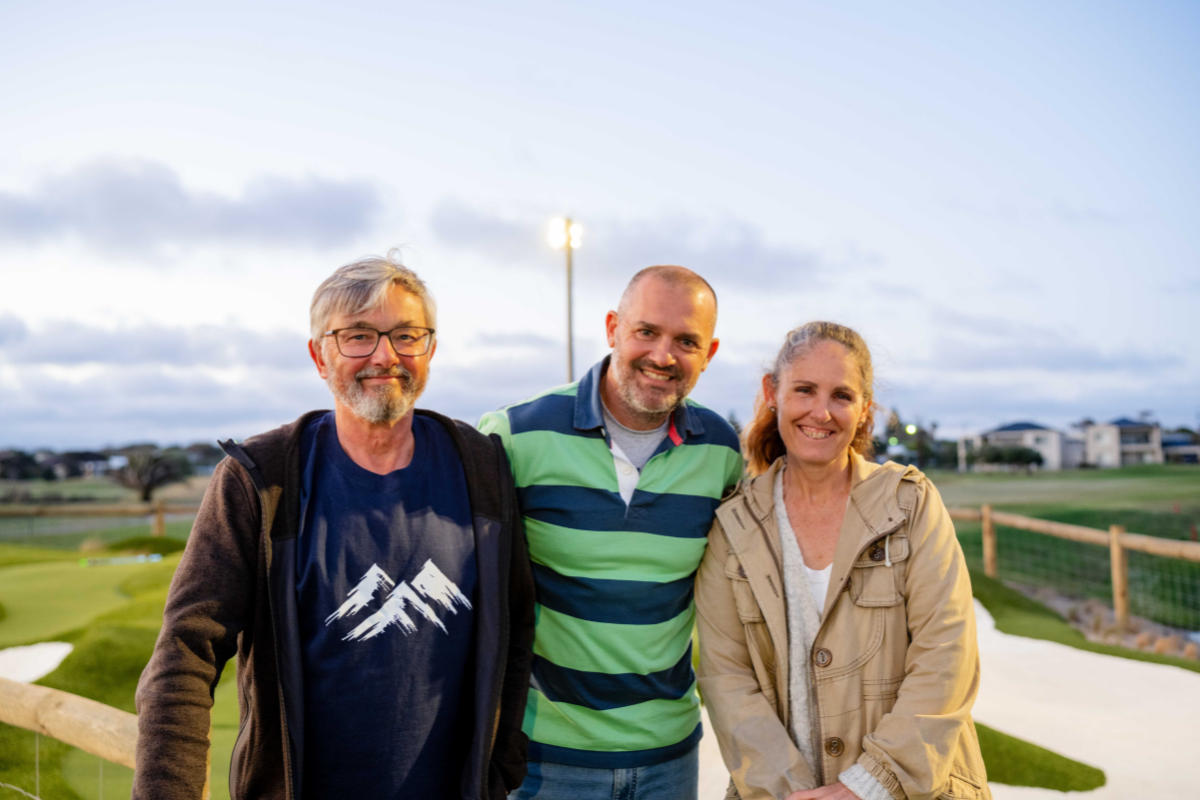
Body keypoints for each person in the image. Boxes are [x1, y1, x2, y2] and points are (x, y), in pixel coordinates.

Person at [133, 253, 535, 800]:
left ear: (431, 350)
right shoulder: (260, 480)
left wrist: (499, 766)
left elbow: (514, 627)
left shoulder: (481, 468)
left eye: (406, 335)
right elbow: (185, 652)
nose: (385, 355)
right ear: (319, 356)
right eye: (358, 336)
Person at [696, 321, 990, 800]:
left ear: (865, 409)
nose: (821, 412)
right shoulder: (733, 523)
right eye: (805, 390)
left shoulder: (910, 504)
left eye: (842, 396)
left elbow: (947, 653)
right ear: (773, 392)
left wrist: (870, 785)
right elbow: (725, 677)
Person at [480, 266, 743, 800]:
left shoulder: (721, 451)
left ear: (709, 352)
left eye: (686, 341)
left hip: (669, 757)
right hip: (545, 759)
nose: (664, 356)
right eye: (646, 331)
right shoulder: (515, 435)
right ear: (612, 329)